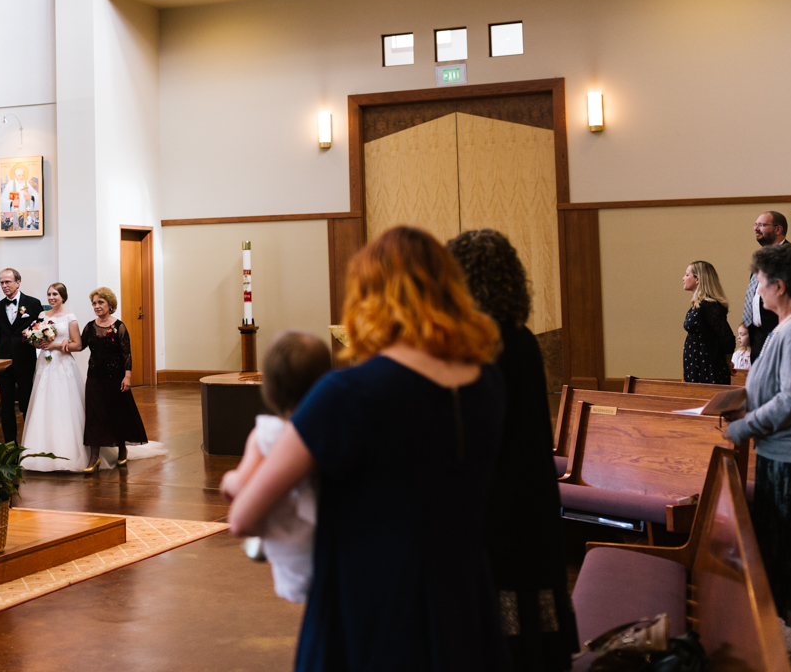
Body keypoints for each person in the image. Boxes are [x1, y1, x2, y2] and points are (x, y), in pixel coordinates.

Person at [226, 226, 507, 671]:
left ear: (369, 296)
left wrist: (241, 472)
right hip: (466, 600)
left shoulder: (348, 392)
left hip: (374, 606)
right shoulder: (487, 382)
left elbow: (244, 515)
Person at [448, 228, 578, 671]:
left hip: (493, 486)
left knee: (497, 586)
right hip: (532, 486)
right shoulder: (521, 338)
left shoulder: (473, 344)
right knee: (533, 587)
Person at [726, 242, 791, 670]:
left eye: (760, 283)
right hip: (782, 457)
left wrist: (742, 426)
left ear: (779, 287)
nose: (757, 292)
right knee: (787, 556)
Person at [219, 330, 331, 605]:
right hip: (334, 550)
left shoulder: (266, 434)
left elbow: (242, 493)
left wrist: (229, 481)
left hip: (295, 558)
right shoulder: (334, 427)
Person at [19, 282, 88, 471]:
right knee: (43, 404)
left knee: (63, 404)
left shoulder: (70, 318)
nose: (51, 297)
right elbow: (37, 342)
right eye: (49, 294)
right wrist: (37, 342)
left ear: (63, 297)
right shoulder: (42, 316)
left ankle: (66, 452)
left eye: (55, 294)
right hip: (45, 364)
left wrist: (56, 346)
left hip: (63, 364)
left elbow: (78, 345)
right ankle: (40, 452)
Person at [79, 287, 149, 470]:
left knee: (117, 414)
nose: (96, 306)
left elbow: (127, 354)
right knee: (94, 415)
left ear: (110, 304)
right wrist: (58, 343)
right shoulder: (89, 327)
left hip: (115, 378)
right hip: (94, 377)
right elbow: (79, 346)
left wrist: (127, 377)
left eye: (100, 302)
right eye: (94, 303)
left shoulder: (119, 326)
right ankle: (94, 457)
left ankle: (122, 450)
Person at [0, 268, 44, 443]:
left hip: (25, 360)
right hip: (4, 362)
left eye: (8, 282)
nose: (4, 286)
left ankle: (31, 444)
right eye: (1, 282)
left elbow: (41, 330)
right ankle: (10, 446)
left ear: (18, 282)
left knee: (26, 404)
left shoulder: (33, 303)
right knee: (5, 407)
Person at [745, 211, 791, 362]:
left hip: (783, 335)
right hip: (758, 338)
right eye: (755, 225)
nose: (756, 228)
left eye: (761, 225)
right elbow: (755, 296)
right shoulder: (760, 257)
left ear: (778, 229)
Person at [681, 260, 736, 384]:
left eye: (687, 275)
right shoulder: (697, 305)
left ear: (698, 279)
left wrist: (727, 361)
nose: (683, 278)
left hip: (707, 366)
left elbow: (727, 336)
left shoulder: (710, 305)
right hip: (695, 364)